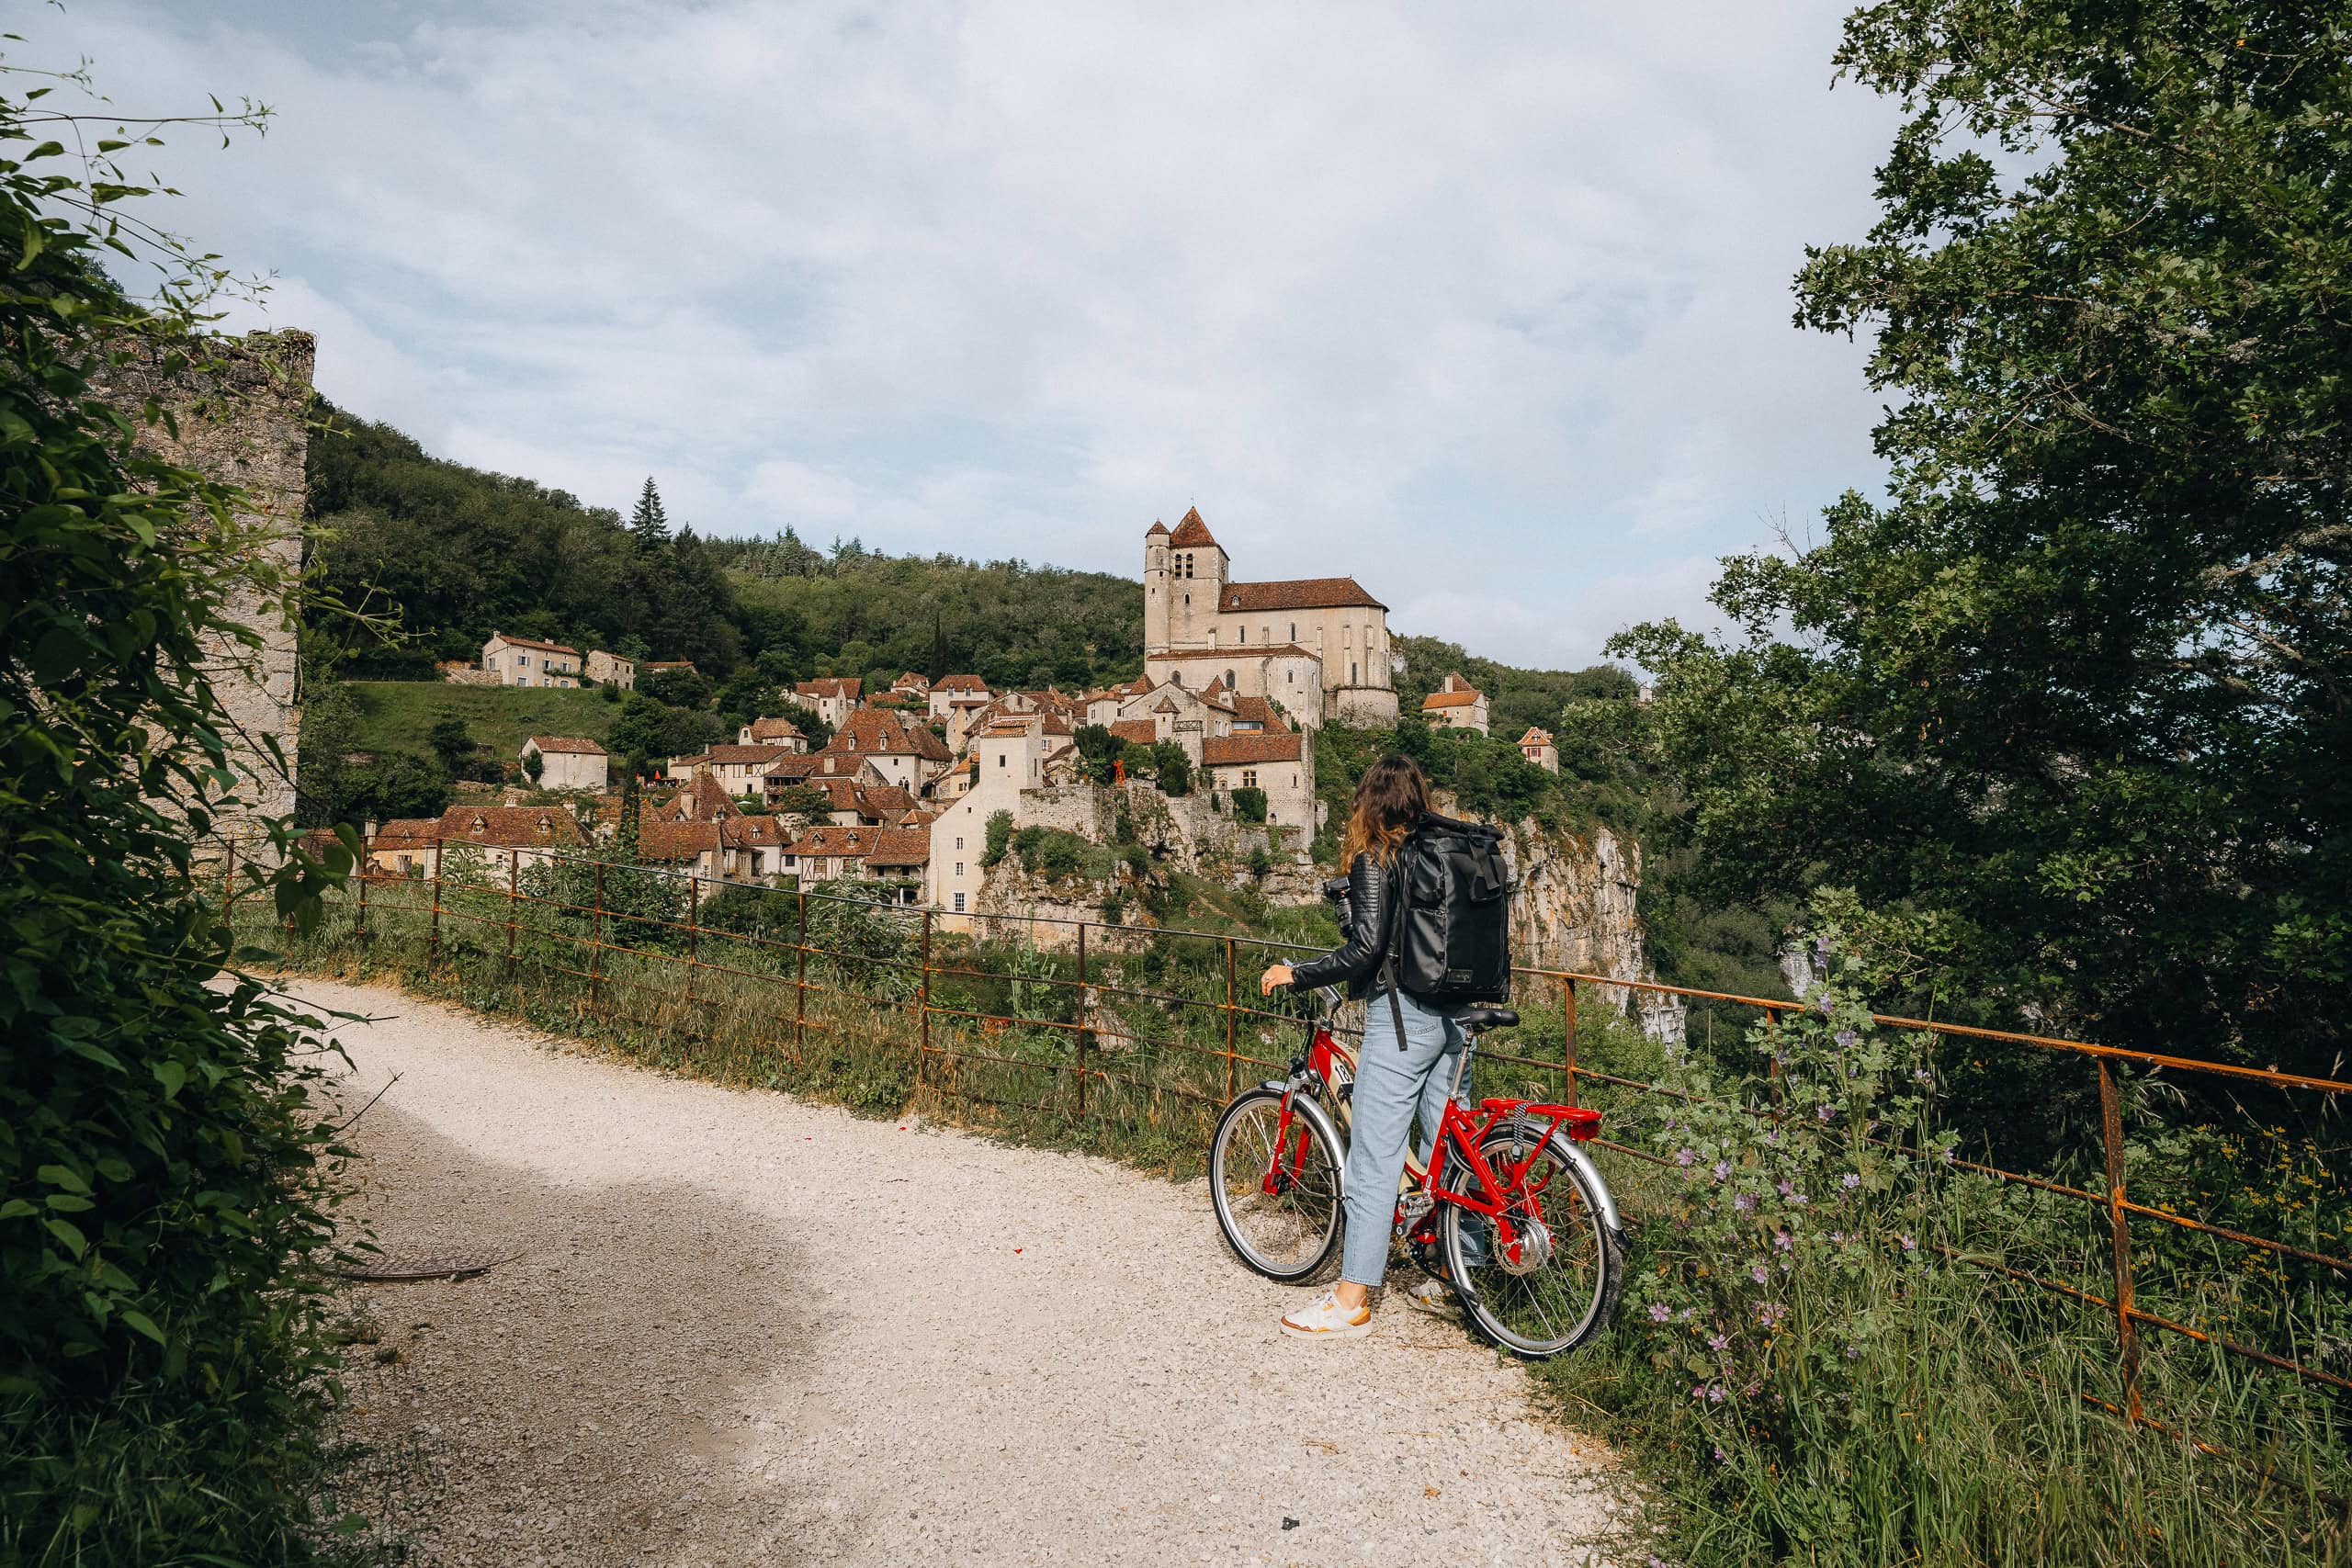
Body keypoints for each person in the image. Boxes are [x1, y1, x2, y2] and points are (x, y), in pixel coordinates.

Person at [1259, 753, 1480, 1339]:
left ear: (1368, 803)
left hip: (1404, 1019)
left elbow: (1364, 950)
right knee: (1448, 1147)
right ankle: (1465, 1273)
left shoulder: (1376, 857)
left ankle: (1351, 1296)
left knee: (1374, 1160)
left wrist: (1297, 973)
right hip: (1459, 1013)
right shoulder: (1446, 851)